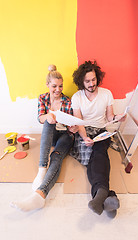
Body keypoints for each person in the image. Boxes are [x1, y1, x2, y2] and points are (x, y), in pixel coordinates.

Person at [10, 64, 78, 212]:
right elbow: (40, 118)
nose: (58, 90)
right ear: (48, 85)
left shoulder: (68, 101)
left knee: (56, 156)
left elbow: (73, 123)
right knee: (48, 121)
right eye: (54, 86)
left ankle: (40, 196)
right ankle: (42, 168)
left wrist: (73, 127)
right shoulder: (43, 98)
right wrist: (49, 116)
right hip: (51, 134)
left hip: (65, 136)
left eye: (60, 86)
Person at [70, 60, 126, 217]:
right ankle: (107, 195)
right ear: (81, 81)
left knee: (99, 152)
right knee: (92, 157)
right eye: (87, 81)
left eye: (93, 79)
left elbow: (110, 117)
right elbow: (79, 122)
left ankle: (99, 195)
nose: (91, 83)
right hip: (84, 132)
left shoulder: (106, 94)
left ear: (97, 78)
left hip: (101, 131)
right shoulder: (77, 97)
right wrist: (85, 137)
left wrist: (117, 118)